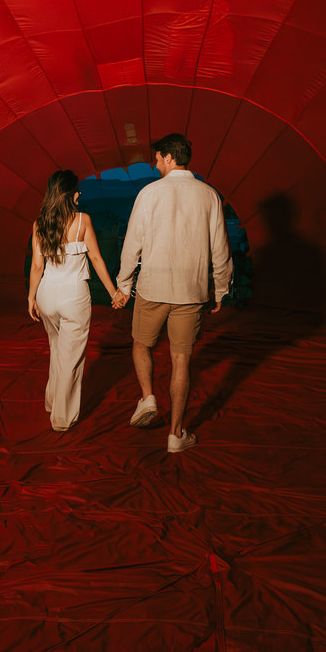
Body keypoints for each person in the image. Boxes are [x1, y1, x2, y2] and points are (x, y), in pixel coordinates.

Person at [112, 134, 232, 453]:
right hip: (191, 291)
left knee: (140, 343)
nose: (154, 164)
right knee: (182, 360)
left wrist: (124, 285)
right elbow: (221, 248)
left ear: (167, 158)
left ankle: (148, 397)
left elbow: (132, 245)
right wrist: (220, 288)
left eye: (156, 159)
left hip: (153, 286)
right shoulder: (209, 195)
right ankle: (176, 435)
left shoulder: (149, 193)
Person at [28, 170, 120, 432]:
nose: (80, 193)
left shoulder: (39, 224)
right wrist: (113, 293)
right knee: (72, 359)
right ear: (69, 194)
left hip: (47, 294)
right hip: (73, 296)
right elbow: (97, 259)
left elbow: (37, 266)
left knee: (57, 350)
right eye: (77, 190)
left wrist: (31, 297)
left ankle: (51, 400)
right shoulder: (82, 221)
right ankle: (61, 418)